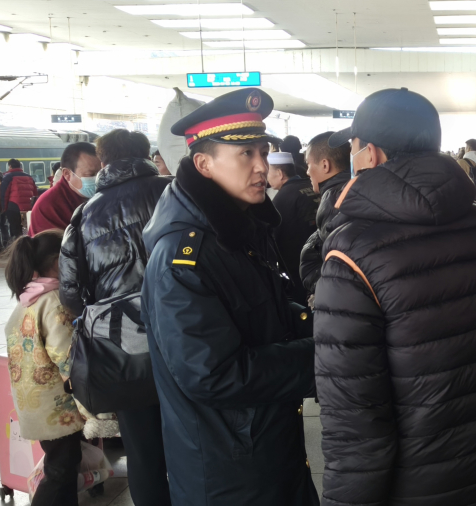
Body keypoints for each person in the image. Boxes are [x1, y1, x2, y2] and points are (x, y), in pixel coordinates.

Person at [316, 87, 476, 505]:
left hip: (414, 491)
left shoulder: (352, 252)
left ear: (370, 155)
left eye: (354, 148)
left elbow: (354, 416)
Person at [142, 88, 318, 505]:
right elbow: (213, 374)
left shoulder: (239, 231)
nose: (262, 166)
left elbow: (263, 315)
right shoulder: (182, 259)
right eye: (245, 154)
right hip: (228, 470)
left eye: (263, 152)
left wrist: (324, 322)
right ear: (203, 164)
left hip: (265, 446)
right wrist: (324, 355)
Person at [58, 129, 171, 506]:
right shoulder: (177, 192)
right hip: (189, 334)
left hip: (125, 347)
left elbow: (71, 293)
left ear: (103, 162)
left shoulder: (84, 214)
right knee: (197, 436)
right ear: (146, 155)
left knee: (142, 450)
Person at [2, 229, 83, 506]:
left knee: (64, 466)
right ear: (59, 262)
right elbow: (67, 356)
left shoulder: (28, 299)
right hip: (57, 407)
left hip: (34, 406)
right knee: (61, 470)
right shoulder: (54, 300)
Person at [298, 131, 351, 298]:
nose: (307, 172)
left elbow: (337, 266)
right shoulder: (351, 188)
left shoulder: (333, 199)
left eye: (308, 164)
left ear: (325, 165)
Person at [268, 151, 320, 305]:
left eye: (268, 172)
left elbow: (274, 237)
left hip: (299, 267)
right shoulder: (310, 185)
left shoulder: (282, 198)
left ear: (279, 173)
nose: (266, 178)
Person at [28, 142, 101, 236]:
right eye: (90, 175)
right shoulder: (48, 205)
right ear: (67, 174)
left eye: (100, 173)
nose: (97, 179)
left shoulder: (102, 196)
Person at [0, 159, 38, 241]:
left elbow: (4, 194)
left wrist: (4, 208)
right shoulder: (29, 177)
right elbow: (35, 193)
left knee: (15, 230)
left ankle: (18, 246)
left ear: (10, 166)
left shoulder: (8, 177)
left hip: (14, 207)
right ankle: (28, 245)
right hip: (28, 208)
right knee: (26, 229)